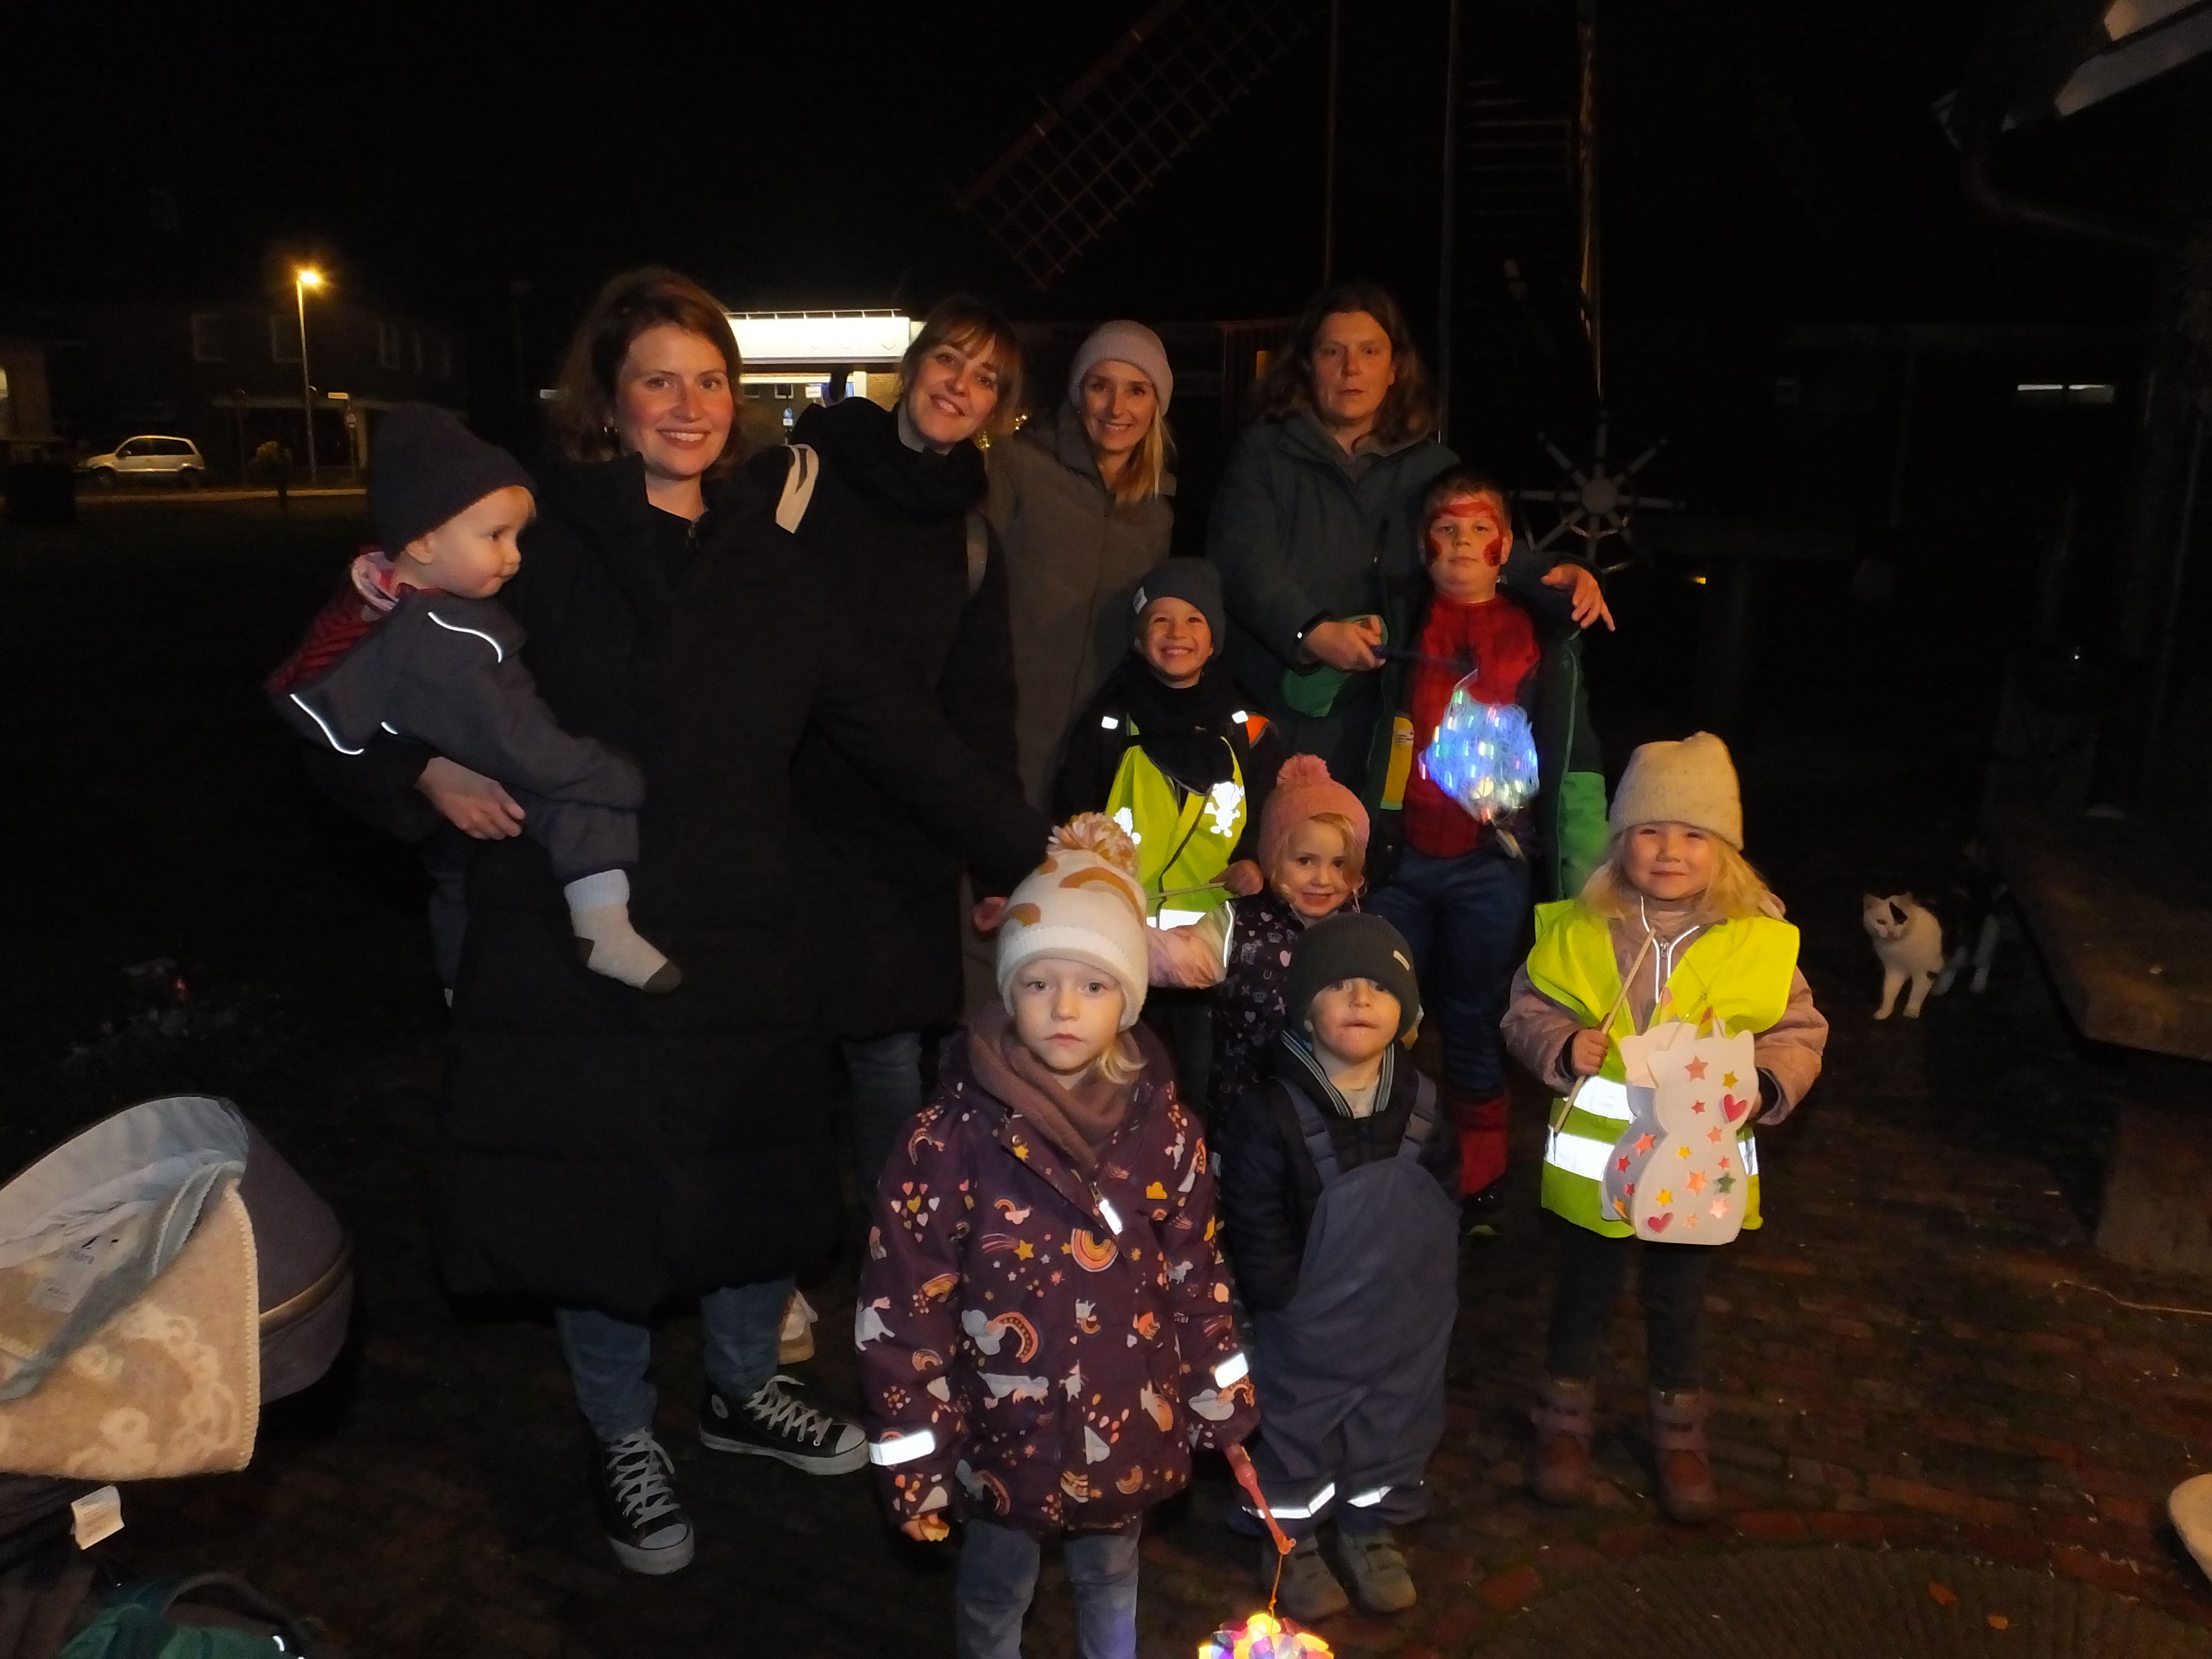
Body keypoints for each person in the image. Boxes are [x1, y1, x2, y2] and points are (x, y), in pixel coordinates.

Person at [318, 268, 1044, 1577]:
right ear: (610, 398)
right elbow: (344, 677)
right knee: (596, 1196)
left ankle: (740, 1384)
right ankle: (620, 1432)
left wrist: (1044, 856)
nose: (690, 403)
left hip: (743, 922)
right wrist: (419, 770)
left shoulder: (776, 563)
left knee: (752, 1166)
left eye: (710, 378)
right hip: (567, 925)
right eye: (659, 377)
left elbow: (902, 735)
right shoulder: (527, 544)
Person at [855, 814, 1257, 1659]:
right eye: (1039, 983)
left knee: (1111, 1575)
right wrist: (915, 1461)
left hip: (1128, 1425)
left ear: (1128, 999)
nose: (1065, 1007)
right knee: (998, 1586)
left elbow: (1196, 1269)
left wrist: (1220, 1396)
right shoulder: (948, 1141)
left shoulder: (1164, 1129)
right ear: (1007, 990)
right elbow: (902, 1310)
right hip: (1004, 1437)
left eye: (1093, 984)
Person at [1500, 733, 1827, 1522]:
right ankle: (1562, 1420)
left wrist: (1766, 1078)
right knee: (1584, 1291)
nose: (1669, 850)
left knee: (1677, 1299)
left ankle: (1679, 1430)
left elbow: (1798, 1027)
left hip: (1694, 1166)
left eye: (1692, 834)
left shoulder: (1758, 940)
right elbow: (1526, 1008)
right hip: (1597, 1168)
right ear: (1620, 843)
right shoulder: (1580, 928)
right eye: (1649, 831)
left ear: (1725, 851)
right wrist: (1558, 1044)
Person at [267, 404, 675, 995]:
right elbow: (516, 740)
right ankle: (602, 927)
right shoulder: (449, 636)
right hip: (498, 802)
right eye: (495, 537)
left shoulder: (376, 600)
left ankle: (460, 984)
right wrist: (609, 777)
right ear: (427, 540)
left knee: (455, 888)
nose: (513, 556)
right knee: (582, 805)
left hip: (456, 838)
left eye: (516, 536)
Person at [761, 297, 1025, 1193]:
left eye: (985, 376)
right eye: (951, 359)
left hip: (898, 834)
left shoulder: (970, 536)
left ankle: (893, 1247)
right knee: (781, 1049)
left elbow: (981, 703)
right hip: (790, 813)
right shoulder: (808, 476)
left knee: (884, 1056)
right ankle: (778, 1259)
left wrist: (997, 866)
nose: (962, 384)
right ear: (913, 367)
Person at [1208, 281, 1611, 790]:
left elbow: (1474, 539)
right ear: (1308, 366)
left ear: (1394, 368)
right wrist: (1310, 632)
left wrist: (1560, 571)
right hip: (1270, 707)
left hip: (1384, 716)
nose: (1351, 369)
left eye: (1369, 352)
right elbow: (1243, 558)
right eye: (1333, 352)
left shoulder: (1430, 468)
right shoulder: (1261, 455)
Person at [1364, 468, 1603, 1232]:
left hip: (1491, 862)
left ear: (1505, 546)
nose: (1462, 544)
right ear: (1422, 545)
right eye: (1446, 529)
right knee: (1377, 1009)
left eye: (1479, 531)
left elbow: (1574, 751)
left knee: (1472, 1011)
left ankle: (1480, 1165)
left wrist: (1582, 859)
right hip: (1399, 862)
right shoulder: (1398, 622)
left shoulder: (1539, 635)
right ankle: (1373, 1150)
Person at [1216, 914, 1457, 1621]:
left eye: (1380, 988)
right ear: (1304, 1007)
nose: (1360, 1001)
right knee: (1296, 1431)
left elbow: (1444, 1194)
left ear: (1405, 1012)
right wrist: (1278, 1294)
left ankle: (1367, 1525)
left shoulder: (1426, 1103)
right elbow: (1253, 1216)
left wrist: (1432, 1288)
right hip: (1306, 1321)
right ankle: (1291, 1537)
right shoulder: (1270, 1112)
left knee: (1395, 1422)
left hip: (1402, 1319)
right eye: (1340, 986)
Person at [1054, 556, 1285, 1102]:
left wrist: (1257, 861)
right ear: (1138, 640)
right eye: (1160, 620)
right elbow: (1073, 806)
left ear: (1214, 640)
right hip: (1123, 935)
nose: (1177, 634)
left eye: (1194, 621)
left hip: (1211, 940)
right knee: (1123, 1070)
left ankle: (1197, 1168)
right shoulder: (1109, 721)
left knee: (1202, 1072)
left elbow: (1275, 809)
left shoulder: (1247, 725)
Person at [988, 321, 1178, 807]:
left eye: (1137, 390)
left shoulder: (1158, 511)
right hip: (1002, 724)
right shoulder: (1020, 467)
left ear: (1157, 404)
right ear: (1078, 395)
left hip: (1092, 747)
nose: (1117, 408)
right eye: (1100, 386)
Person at [1198, 755, 1369, 1121]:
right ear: (1273, 859)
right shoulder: (1237, 923)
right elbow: (1181, 957)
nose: (1323, 879)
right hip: (1243, 1108)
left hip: (1328, 1114)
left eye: (1339, 864)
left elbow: (1394, 996)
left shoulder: (1362, 930)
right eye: (1305, 861)